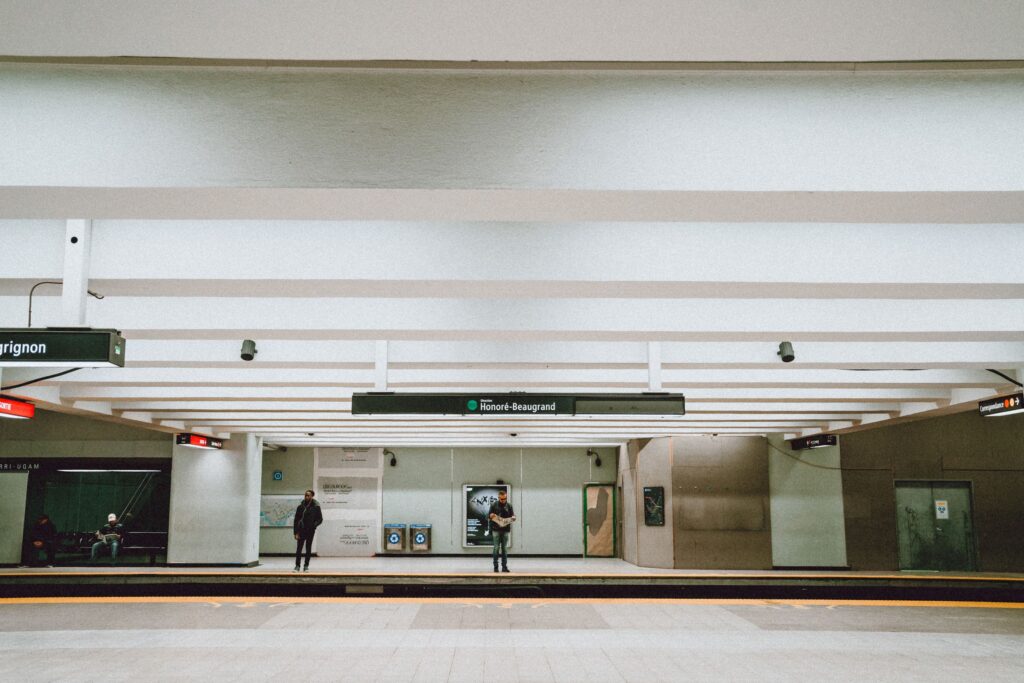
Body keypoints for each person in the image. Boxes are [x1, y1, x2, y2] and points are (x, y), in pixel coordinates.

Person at [293, 489, 323, 572]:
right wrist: (295, 532)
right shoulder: (300, 507)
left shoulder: (316, 507)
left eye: (308, 495)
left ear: (312, 496)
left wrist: (314, 526)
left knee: (308, 548)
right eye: (305, 495)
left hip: (310, 531)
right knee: (299, 549)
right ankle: (297, 566)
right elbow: (296, 520)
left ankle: (306, 566)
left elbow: (320, 519)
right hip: (301, 530)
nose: (306, 496)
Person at [487, 489, 516, 573]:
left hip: (505, 529)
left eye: (505, 499)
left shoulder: (509, 505)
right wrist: (491, 515)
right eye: (502, 499)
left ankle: (504, 567)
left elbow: (512, 515)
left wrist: (513, 518)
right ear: (498, 498)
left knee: (504, 549)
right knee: (496, 548)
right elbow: (488, 516)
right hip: (496, 529)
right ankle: (495, 567)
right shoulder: (493, 505)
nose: (504, 501)